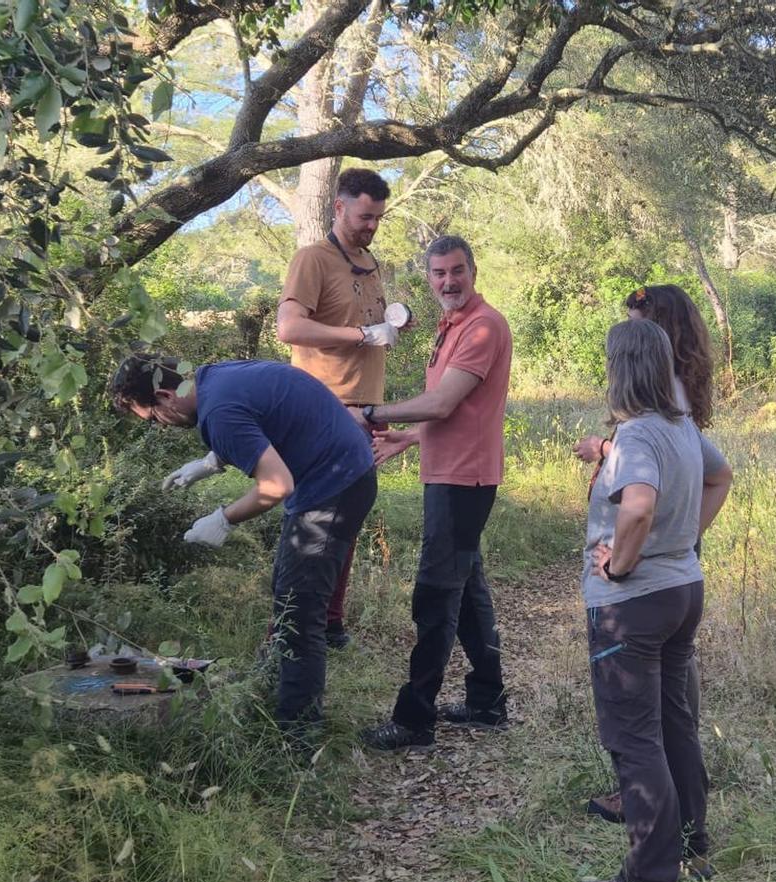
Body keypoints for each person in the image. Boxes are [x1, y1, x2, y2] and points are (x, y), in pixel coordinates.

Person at [110, 355, 377, 742]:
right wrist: (209, 463)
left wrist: (223, 519)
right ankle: (271, 688)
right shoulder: (214, 377)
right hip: (341, 470)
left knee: (298, 614)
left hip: (334, 485)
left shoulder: (218, 412)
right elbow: (262, 417)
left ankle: (297, 739)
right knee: (287, 590)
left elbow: (276, 486)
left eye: (153, 418)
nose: (160, 426)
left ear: (166, 396)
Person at [579, 319, 732, 882]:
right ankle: (692, 846)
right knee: (674, 724)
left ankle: (649, 881)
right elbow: (720, 476)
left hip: (633, 605)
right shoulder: (681, 425)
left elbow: (638, 506)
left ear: (619, 369)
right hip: (682, 591)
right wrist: (683, 541)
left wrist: (620, 565)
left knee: (634, 738)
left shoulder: (637, 433)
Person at [356, 234, 513, 752]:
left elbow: (443, 403)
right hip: (449, 473)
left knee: (435, 596)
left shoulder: (483, 326)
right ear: (429, 279)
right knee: (468, 594)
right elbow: (454, 409)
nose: (449, 281)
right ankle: (487, 701)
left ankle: (414, 719)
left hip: (463, 479)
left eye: (457, 271)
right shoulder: (452, 326)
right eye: (439, 273)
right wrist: (408, 437)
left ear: (474, 271)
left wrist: (370, 413)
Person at [276, 167, 399, 648]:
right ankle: (289, 626)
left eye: (378, 218)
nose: (372, 226)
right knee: (313, 520)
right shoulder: (312, 258)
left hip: (364, 412)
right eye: (364, 217)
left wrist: (388, 326)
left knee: (346, 520)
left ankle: (328, 621)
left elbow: (363, 323)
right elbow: (289, 328)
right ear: (339, 207)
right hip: (323, 411)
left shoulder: (368, 262)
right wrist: (360, 335)